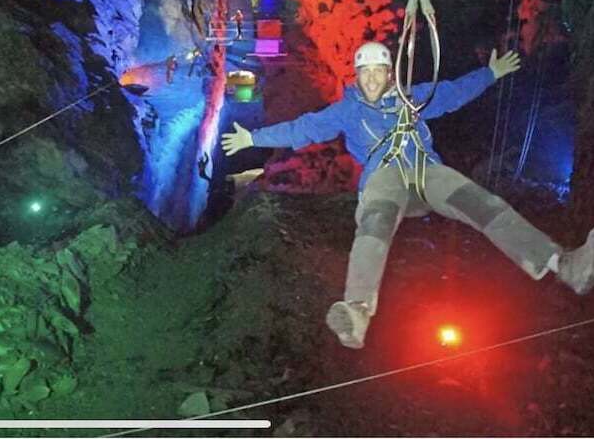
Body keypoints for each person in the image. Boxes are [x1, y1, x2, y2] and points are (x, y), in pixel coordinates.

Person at [221, 41, 594, 349]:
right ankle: (357, 310)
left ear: (388, 74)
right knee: (375, 222)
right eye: (364, 72)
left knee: (485, 205)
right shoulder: (348, 111)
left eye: (378, 71)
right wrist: (254, 138)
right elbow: (304, 129)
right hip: (384, 175)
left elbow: (449, 94)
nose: (371, 78)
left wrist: (490, 74)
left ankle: (564, 266)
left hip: (426, 171)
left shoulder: (410, 99)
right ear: (357, 75)